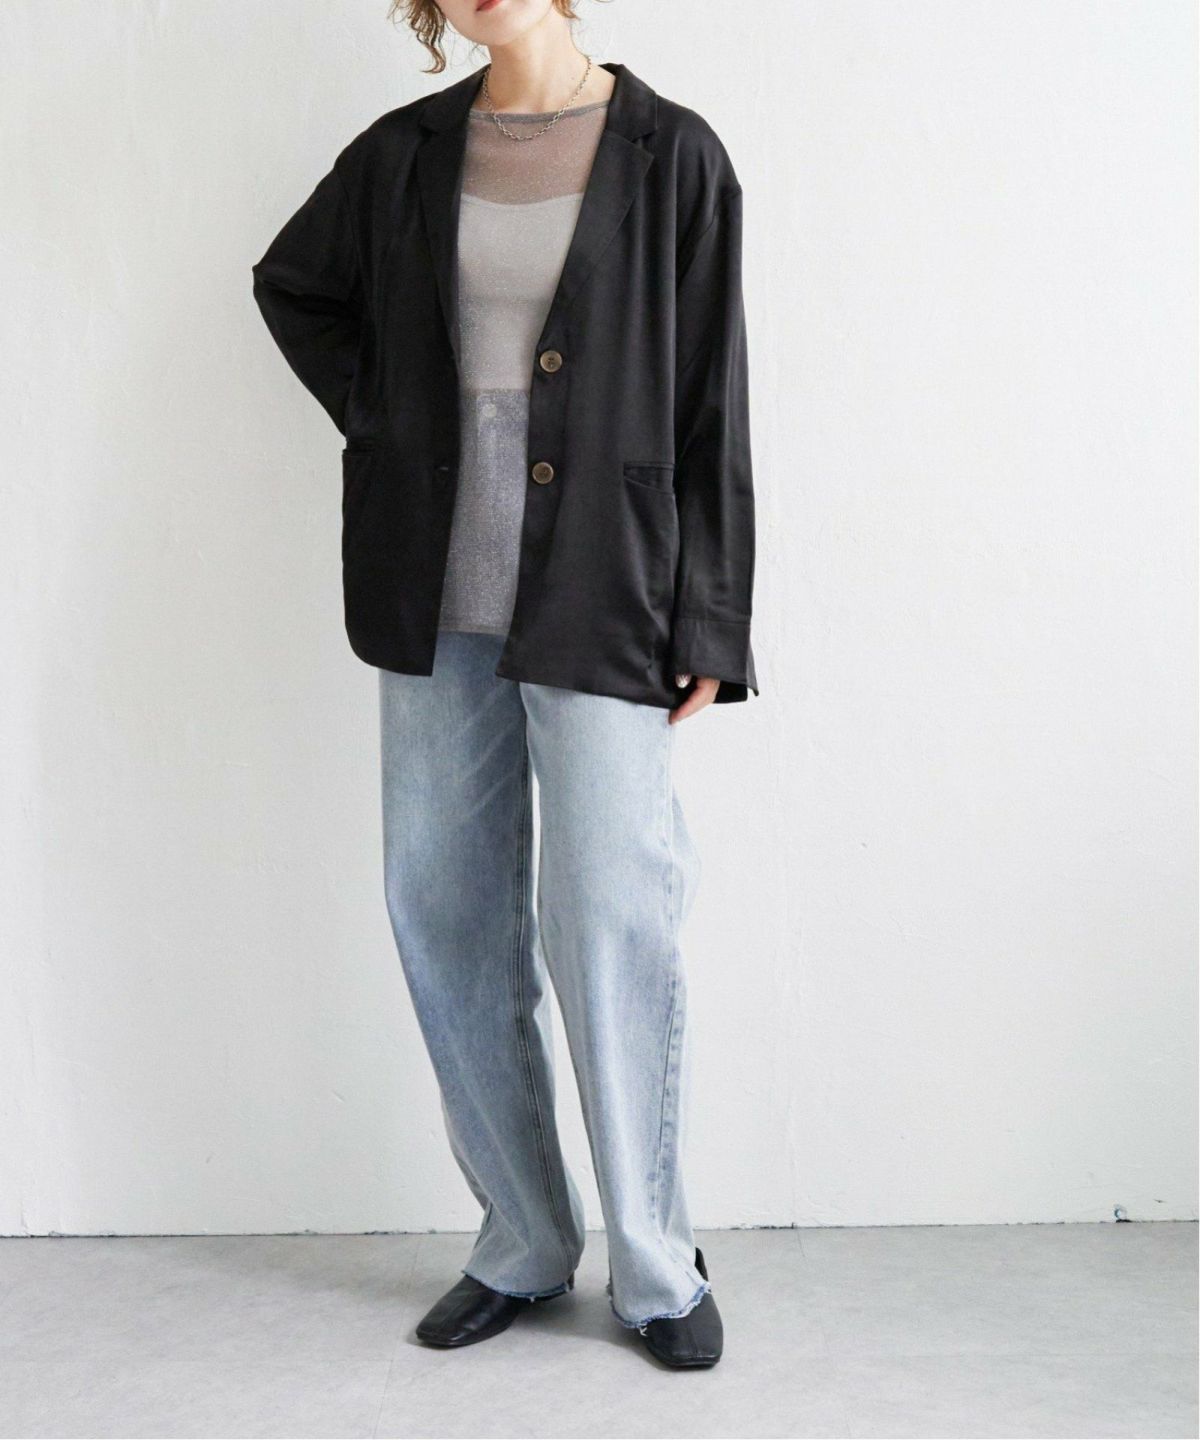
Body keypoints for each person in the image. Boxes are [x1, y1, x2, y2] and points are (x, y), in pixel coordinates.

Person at [250, 0, 757, 1370]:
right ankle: (524, 1238)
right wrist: (391, 414)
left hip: (602, 589)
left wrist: (711, 614)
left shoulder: (673, 154)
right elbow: (295, 286)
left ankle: (655, 1261)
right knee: (447, 912)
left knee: (613, 916)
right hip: (436, 594)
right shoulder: (402, 154)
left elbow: (711, 395)